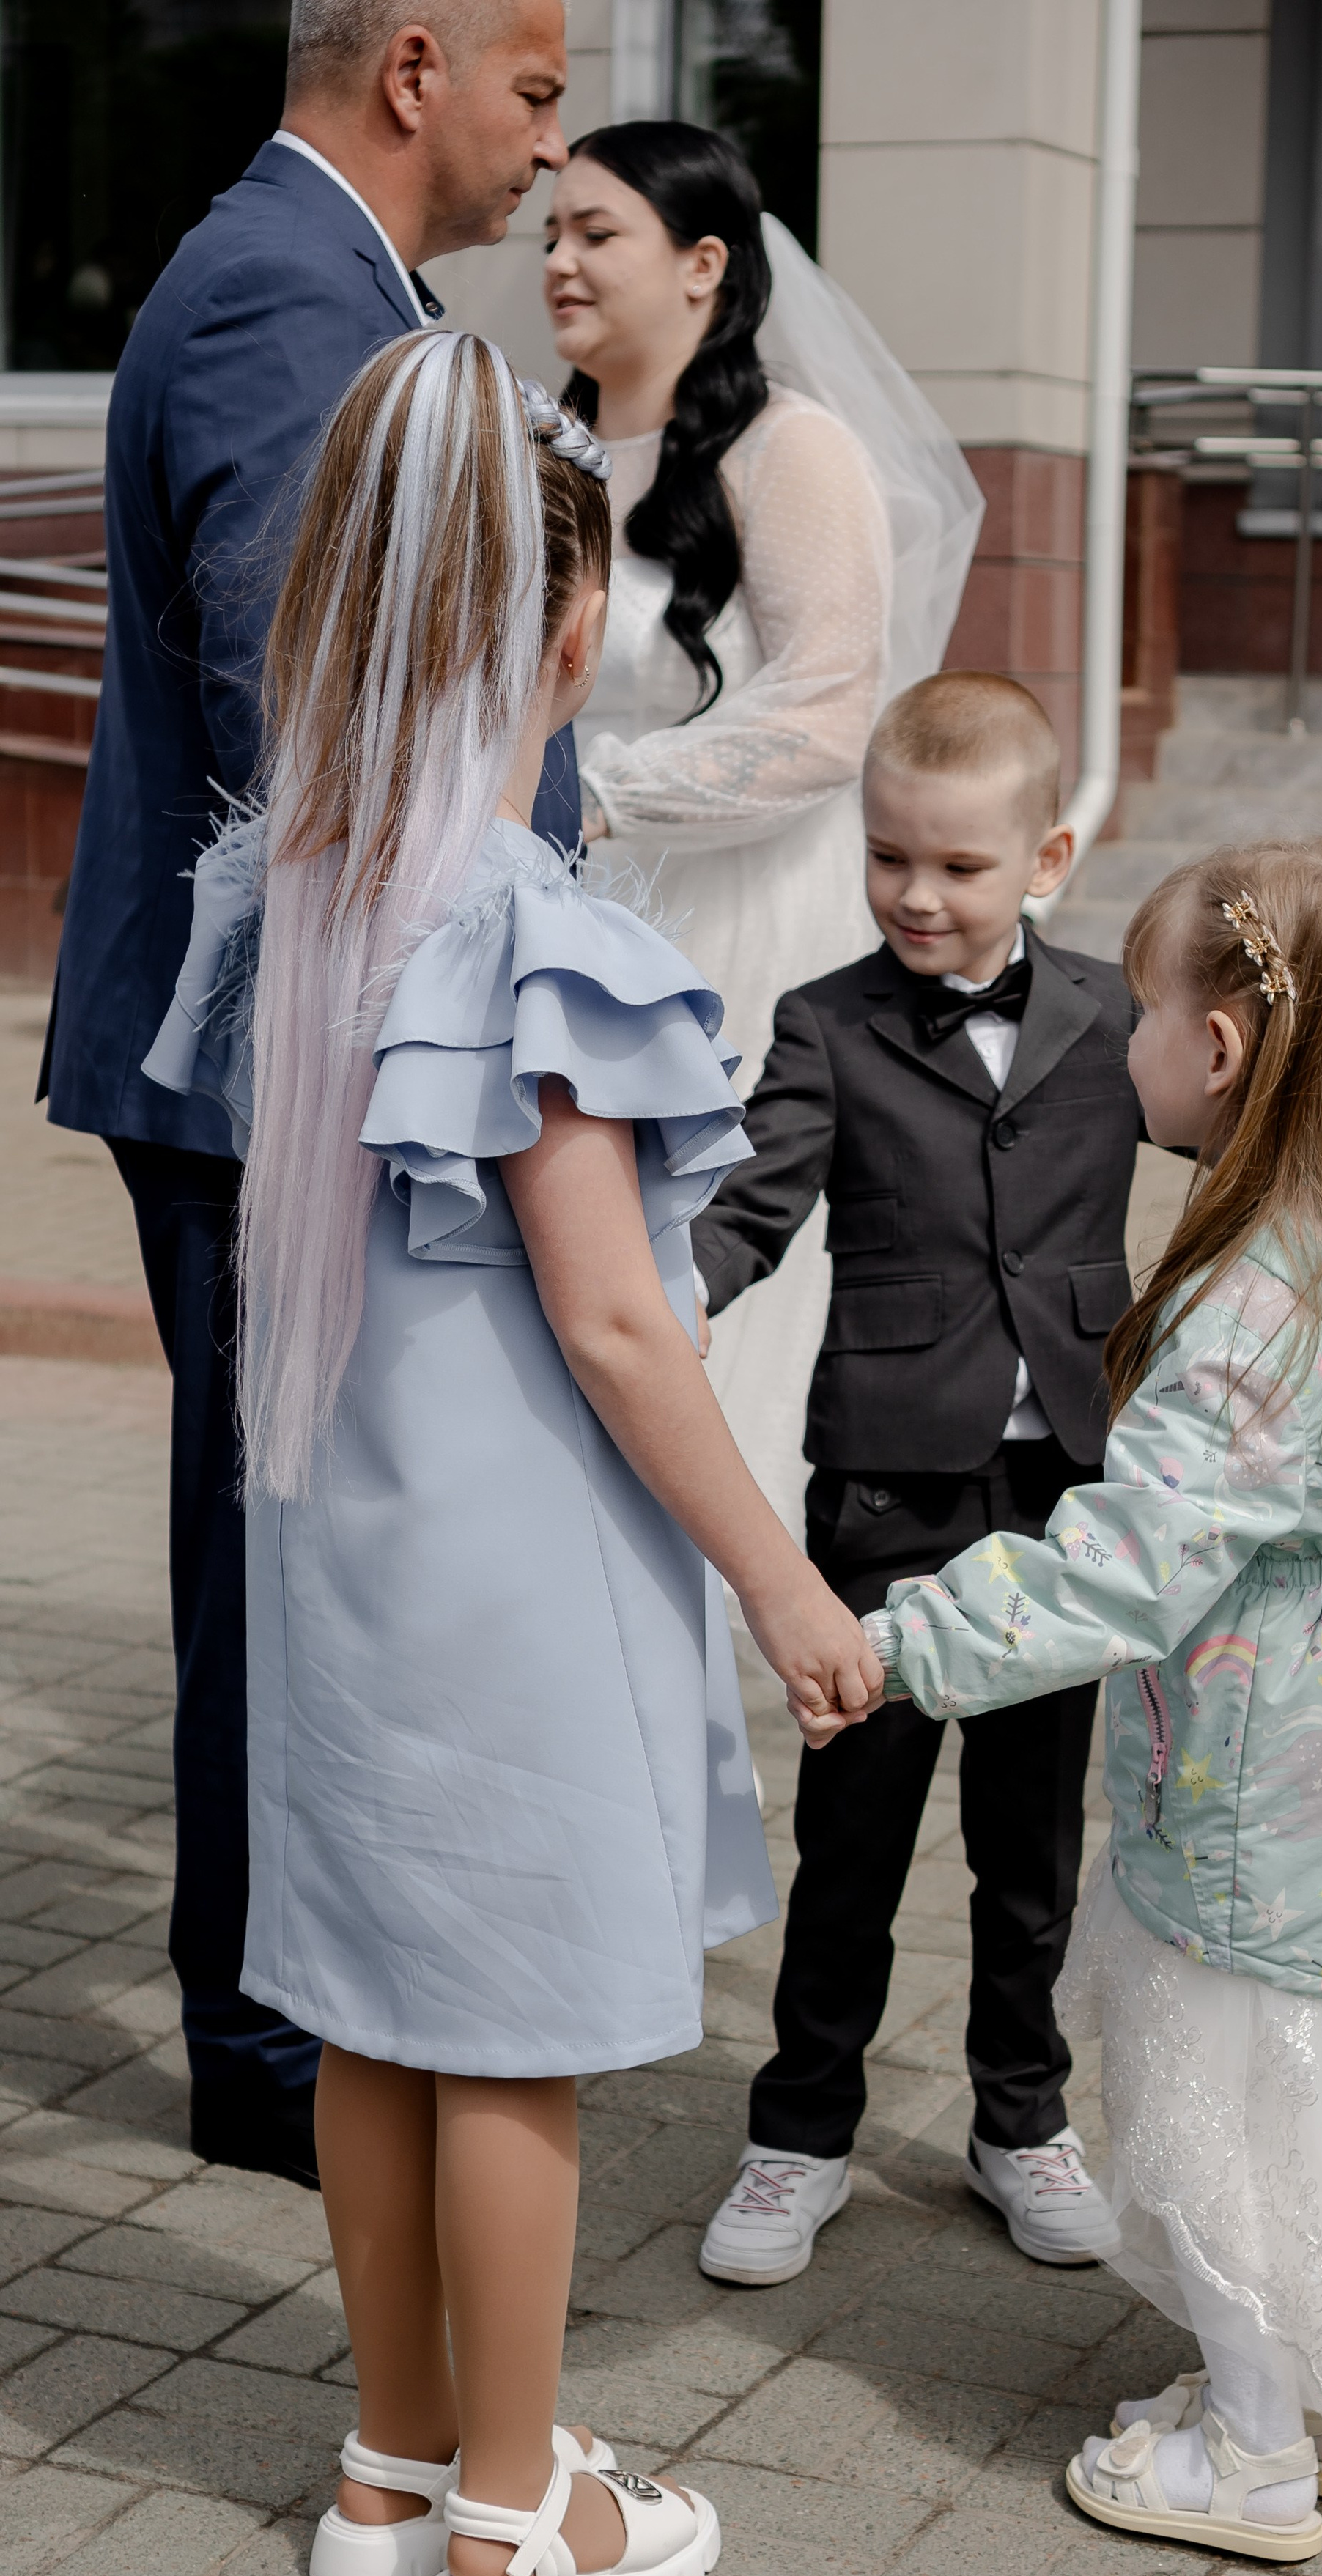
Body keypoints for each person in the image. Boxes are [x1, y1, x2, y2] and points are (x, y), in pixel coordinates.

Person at [143, 330, 882, 2576]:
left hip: (341, 1557)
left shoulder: (305, 898)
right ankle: (507, 2531)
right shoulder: (526, 930)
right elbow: (622, 1328)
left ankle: (385, 2463)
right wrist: (782, 1585)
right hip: (513, 1581)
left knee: (373, 2017)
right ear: (564, 635)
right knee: (513, 2044)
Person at [858, 838, 1322, 2552]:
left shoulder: (1253, 1309)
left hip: (1266, 1757)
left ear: (1225, 1052)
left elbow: (1120, 1565)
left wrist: (898, 1646)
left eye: (1144, 1013)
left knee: (1224, 2095)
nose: (1121, 1047)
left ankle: (1251, 2452)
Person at [40, 0, 581, 2191]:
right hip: (291, 1055)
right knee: (281, 1549)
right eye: (541, 94)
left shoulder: (333, 280)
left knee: (295, 1537)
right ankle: (272, 2051)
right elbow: (321, 714)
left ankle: (289, 2008)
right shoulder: (286, 284)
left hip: (296, 1042)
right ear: (419, 65)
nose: (556, 151)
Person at [691, 673, 1142, 2284]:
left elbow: (1238, 1140)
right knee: (856, 1828)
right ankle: (798, 2129)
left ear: (1047, 857)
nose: (916, 895)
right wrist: (670, 1291)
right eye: (890, 857)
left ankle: (1017, 2119)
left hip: (1065, 1500)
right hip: (885, 1482)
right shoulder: (830, 1020)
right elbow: (754, 1197)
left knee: (1030, 1844)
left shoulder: (1112, 1015)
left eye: (957, 866)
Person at [544, 120, 982, 1538]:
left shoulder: (793, 451)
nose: (557, 259)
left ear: (704, 265)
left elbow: (828, 714)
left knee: (720, 1272)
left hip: (745, 931)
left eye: (597, 233)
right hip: (566, 920)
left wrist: (597, 795)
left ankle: (747, 1608)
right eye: (552, 230)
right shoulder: (537, 453)